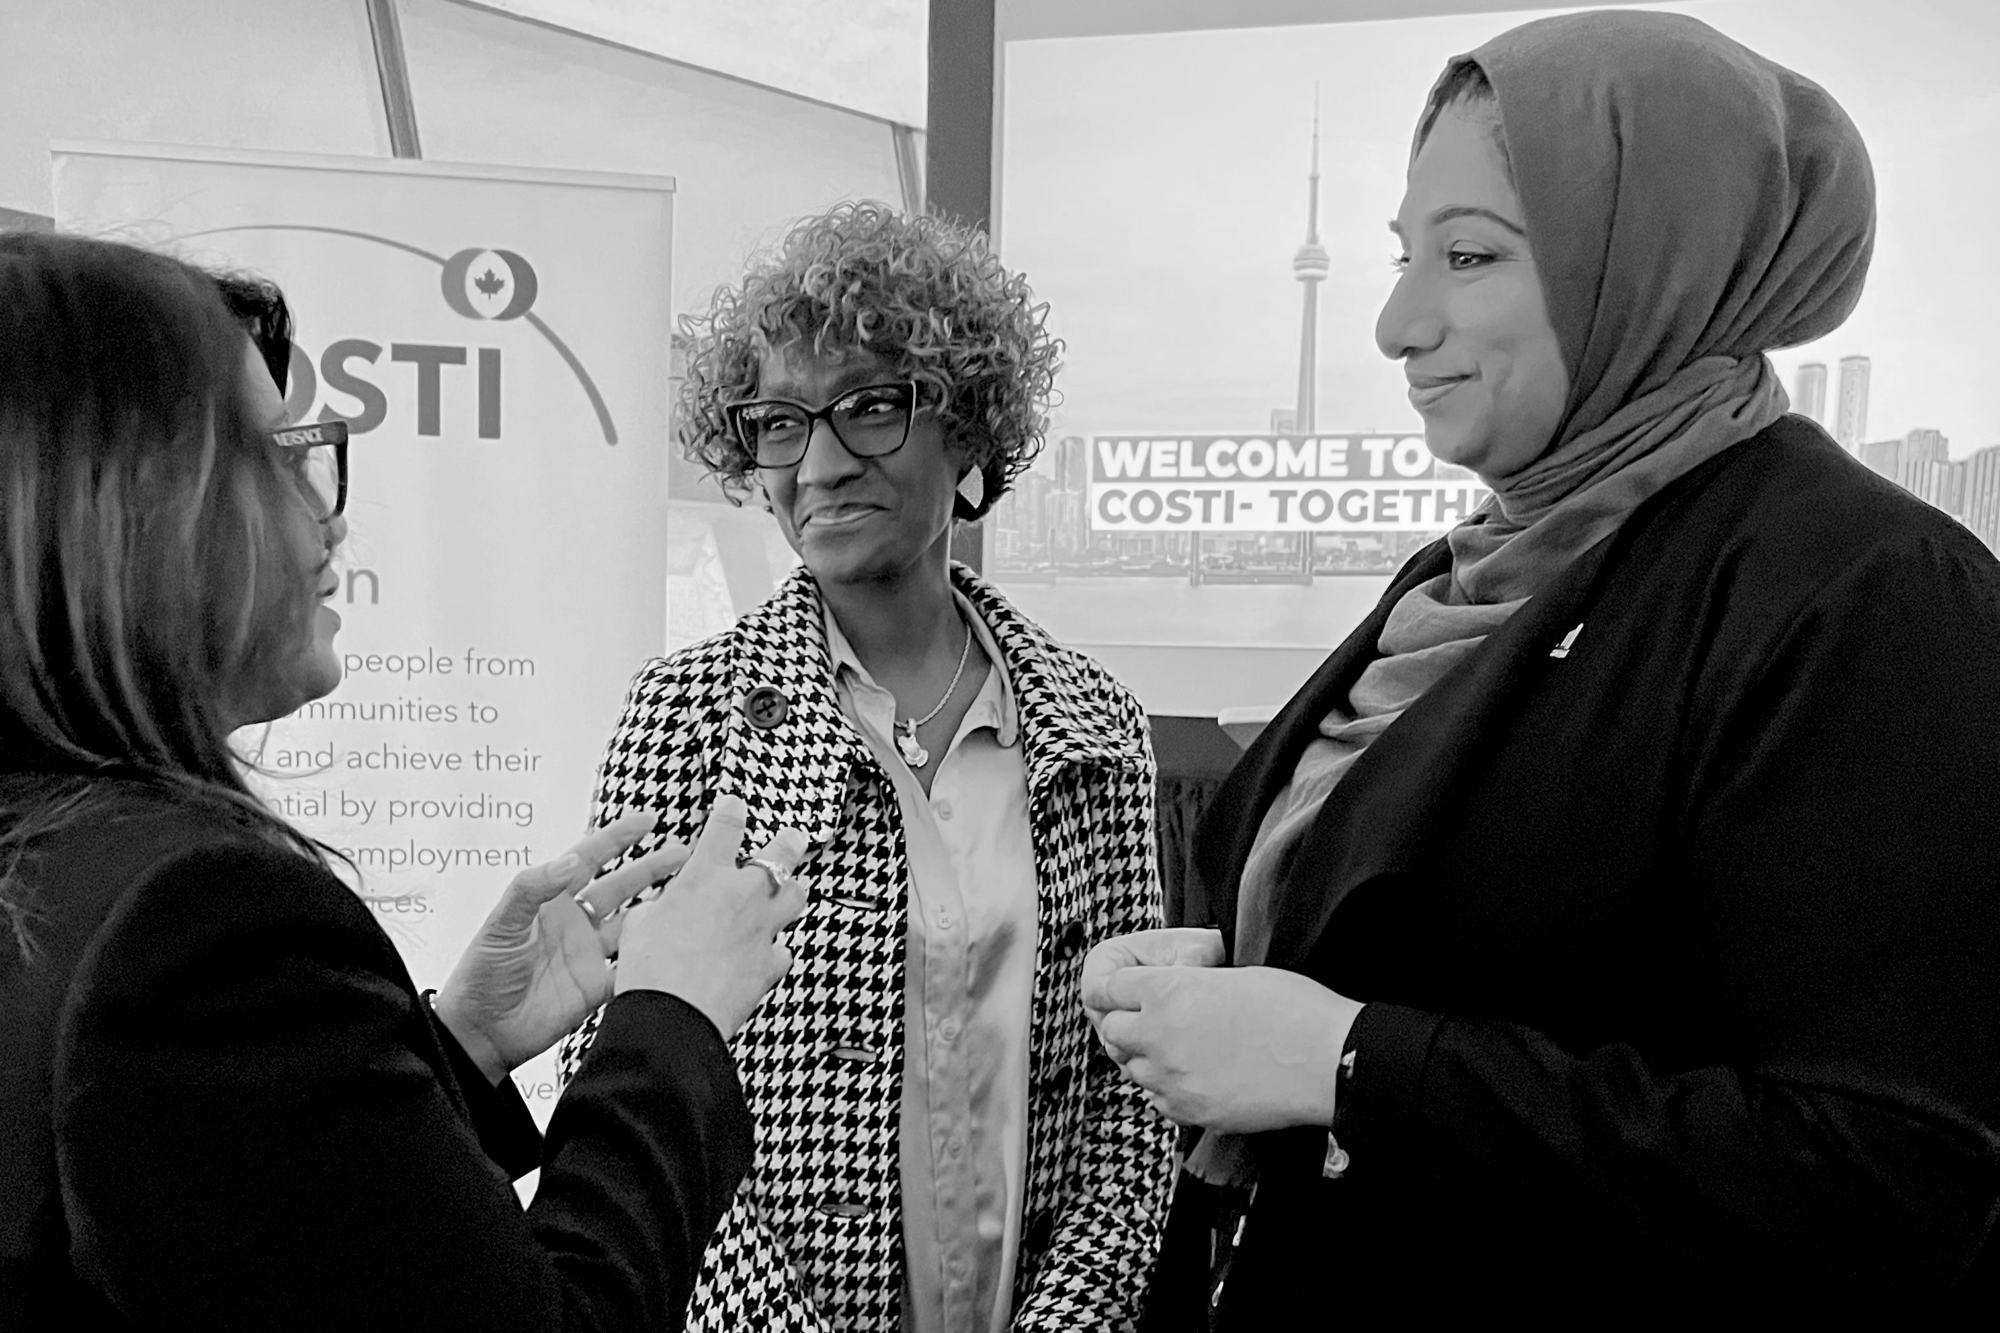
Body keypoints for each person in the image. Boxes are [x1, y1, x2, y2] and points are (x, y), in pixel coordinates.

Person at [1082, 10, 2000, 1322]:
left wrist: (1344, 1060)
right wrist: (1231, 997)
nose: (1401, 322)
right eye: (1408, 258)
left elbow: (1886, 1175)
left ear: (1648, 258)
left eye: (1470, 256)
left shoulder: (1865, 596)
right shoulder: (1466, 574)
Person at [0, 230, 810, 1329]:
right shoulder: (197, 927)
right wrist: (672, 1020)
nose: (329, 515)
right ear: (131, 510)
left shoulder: (52, 863)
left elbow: (228, 1222)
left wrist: (459, 1047)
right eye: (280, 454)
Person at [558, 202, 1172, 1331]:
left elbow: (1129, 1100)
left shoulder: (1093, 729)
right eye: (781, 423)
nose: (824, 463)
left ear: (969, 423)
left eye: (871, 407)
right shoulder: (692, 715)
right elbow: (621, 1067)